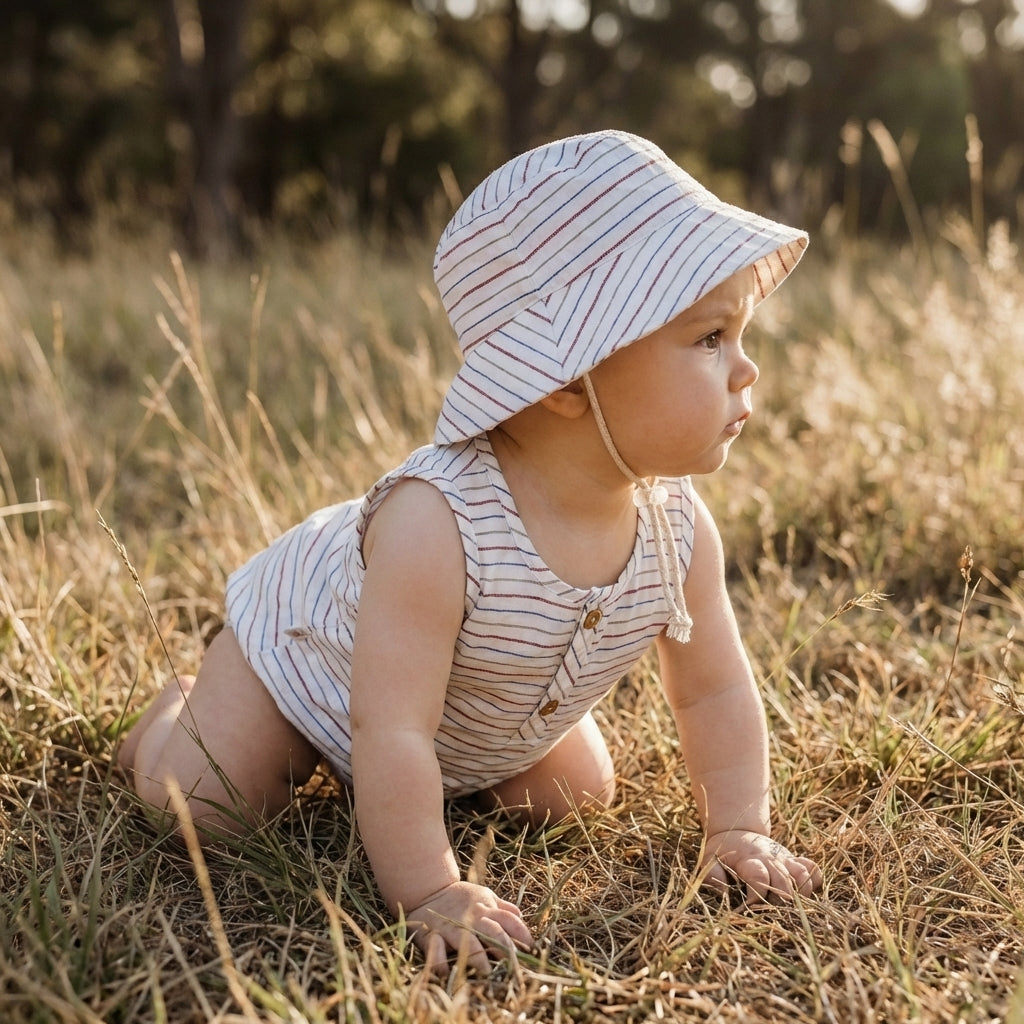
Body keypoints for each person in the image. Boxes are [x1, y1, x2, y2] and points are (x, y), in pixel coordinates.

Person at [118, 130, 822, 975]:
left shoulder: (679, 528)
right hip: (309, 670)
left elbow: (713, 690)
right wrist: (429, 889)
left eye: (740, 335)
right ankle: (174, 715)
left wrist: (738, 827)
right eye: (710, 338)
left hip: (472, 718)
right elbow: (392, 726)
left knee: (573, 798)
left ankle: (441, 778)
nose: (746, 369)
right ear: (569, 378)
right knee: (205, 808)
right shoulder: (437, 525)